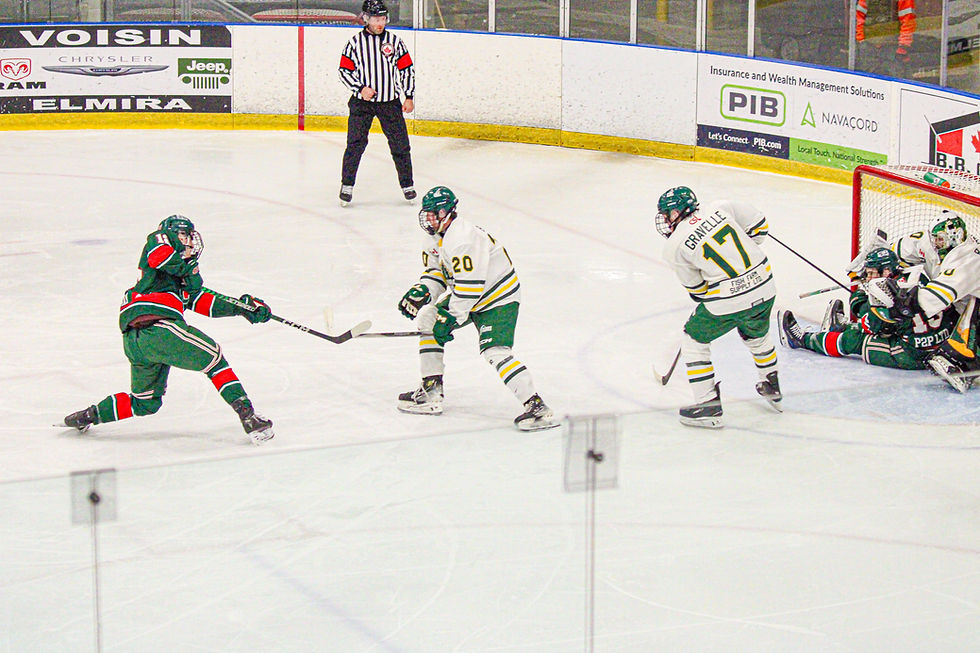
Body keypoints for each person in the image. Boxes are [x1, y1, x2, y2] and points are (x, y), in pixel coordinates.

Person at [60, 215, 276, 445]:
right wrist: (188, 270)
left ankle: (88, 415)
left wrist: (243, 308)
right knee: (214, 358)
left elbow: (205, 301)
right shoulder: (161, 240)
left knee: (145, 403)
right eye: (187, 235)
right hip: (159, 329)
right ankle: (249, 416)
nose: (191, 243)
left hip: (137, 341)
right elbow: (159, 255)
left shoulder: (175, 282)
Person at [396, 186, 558, 431]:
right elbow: (438, 273)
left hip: (498, 297)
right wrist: (423, 291)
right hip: (470, 295)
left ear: (446, 212)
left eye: (432, 213)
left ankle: (537, 407)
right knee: (428, 320)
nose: (427, 219)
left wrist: (449, 318)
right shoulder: (434, 238)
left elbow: (470, 288)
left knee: (494, 351)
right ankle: (432, 391)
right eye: (426, 213)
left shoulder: (462, 239)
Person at [655, 186, 780, 429]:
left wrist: (723, 281)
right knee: (758, 336)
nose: (666, 220)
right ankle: (771, 383)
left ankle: (707, 405)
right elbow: (760, 226)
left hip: (728, 300)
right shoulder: (720, 207)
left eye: (668, 213)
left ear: (678, 212)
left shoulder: (673, 247)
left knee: (694, 340)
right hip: (765, 284)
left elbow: (698, 291)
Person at [779, 247, 958, 371]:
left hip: (911, 355)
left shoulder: (887, 292)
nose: (869, 276)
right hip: (941, 346)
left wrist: (859, 297)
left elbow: (874, 326)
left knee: (855, 339)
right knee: (886, 324)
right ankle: (838, 328)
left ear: (887, 271)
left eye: (872, 272)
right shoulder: (919, 275)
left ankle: (802, 340)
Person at [337, 0, 416, 207]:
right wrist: (360, 88)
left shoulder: (395, 42)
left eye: (382, 19)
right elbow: (344, 71)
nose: (380, 23)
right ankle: (347, 185)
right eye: (375, 19)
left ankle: (407, 184)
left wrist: (408, 96)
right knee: (355, 144)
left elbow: (406, 69)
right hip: (361, 104)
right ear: (366, 19)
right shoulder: (354, 43)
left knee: (400, 145)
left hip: (389, 103)